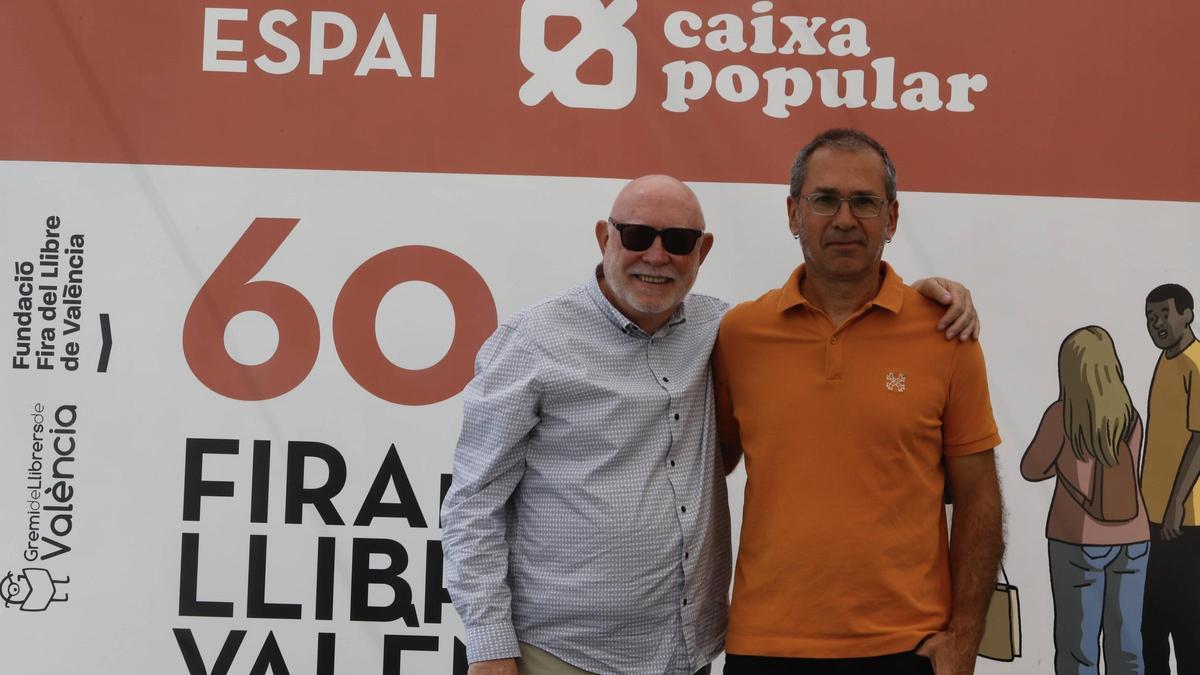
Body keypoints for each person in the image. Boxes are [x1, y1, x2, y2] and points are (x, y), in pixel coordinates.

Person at [441, 174, 979, 675]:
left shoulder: (726, 329)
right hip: (561, 657)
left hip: (687, 654)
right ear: (604, 237)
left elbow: (826, 311)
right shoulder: (533, 341)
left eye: (677, 240)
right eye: (636, 235)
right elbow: (473, 502)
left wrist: (923, 299)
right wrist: (490, 650)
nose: (656, 256)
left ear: (703, 251)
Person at [713, 128, 1004, 675]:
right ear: (794, 212)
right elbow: (705, 463)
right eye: (824, 200)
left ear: (892, 219)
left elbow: (979, 497)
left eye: (864, 202)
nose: (844, 220)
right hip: (765, 647)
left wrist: (965, 638)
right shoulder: (739, 334)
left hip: (907, 649)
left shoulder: (946, 333)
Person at [1021, 326, 1149, 675]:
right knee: (1127, 644)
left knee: (1078, 648)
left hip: (1076, 540)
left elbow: (1031, 468)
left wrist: (1065, 469)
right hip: (1134, 538)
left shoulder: (1062, 415)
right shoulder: (1131, 417)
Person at [1140, 283, 1200, 674]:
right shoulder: (1166, 361)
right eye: (1150, 317)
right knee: (1152, 625)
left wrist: (1177, 501)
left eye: (1164, 313)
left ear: (1188, 314)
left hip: (1187, 522)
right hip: (1155, 517)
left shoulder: (1196, 363)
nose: (1157, 323)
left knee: (1188, 627)